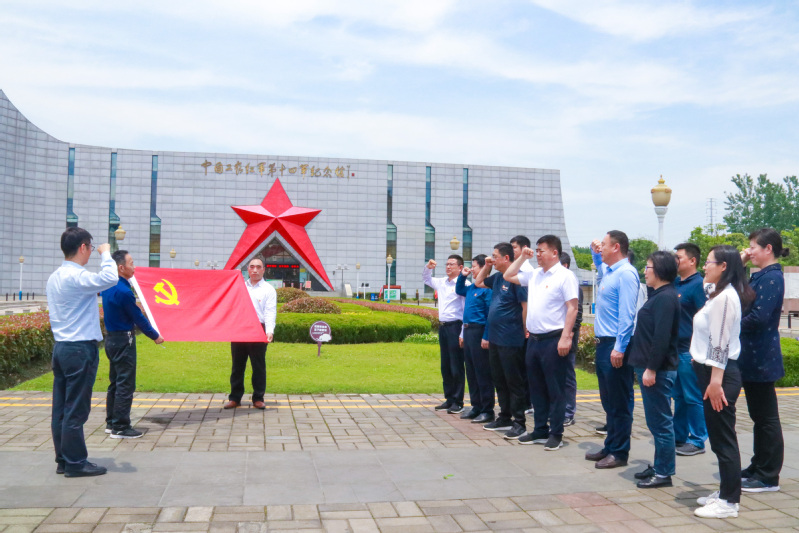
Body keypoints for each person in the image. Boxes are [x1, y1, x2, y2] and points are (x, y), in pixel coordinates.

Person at [46, 227, 118, 477]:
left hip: (62, 347)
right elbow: (110, 278)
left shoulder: (55, 276)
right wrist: (106, 253)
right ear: (83, 247)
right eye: (91, 247)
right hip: (79, 349)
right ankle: (76, 463)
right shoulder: (76, 276)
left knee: (61, 408)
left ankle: (64, 460)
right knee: (76, 408)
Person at [692, 245, 753, 519]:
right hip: (712, 374)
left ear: (723, 267)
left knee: (723, 439)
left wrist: (715, 382)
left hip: (719, 375)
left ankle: (729, 502)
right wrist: (739, 259)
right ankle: (726, 492)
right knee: (718, 438)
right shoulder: (718, 293)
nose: (704, 267)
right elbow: (708, 284)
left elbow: (720, 343)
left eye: (709, 262)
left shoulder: (725, 298)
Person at [505, 236, 578, 450]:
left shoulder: (565, 276)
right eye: (536, 250)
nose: (537, 254)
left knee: (555, 389)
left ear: (554, 253)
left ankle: (556, 433)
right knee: (536, 388)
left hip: (553, 339)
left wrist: (566, 336)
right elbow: (508, 275)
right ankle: (539, 429)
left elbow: (572, 308)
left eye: (541, 251)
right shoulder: (535, 274)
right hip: (534, 339)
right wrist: (521, 258)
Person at [739, 228, 788, 492]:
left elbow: (758, 317)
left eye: (753, 247)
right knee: (759, 417)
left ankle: (769, 476)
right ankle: (759, 465)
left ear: (768, 249)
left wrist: (730, 324)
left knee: (767, 418)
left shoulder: (772, 278)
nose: (749, 252)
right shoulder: (762, 276)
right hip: (753, 356)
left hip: (761, 357)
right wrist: (741, 265)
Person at [585, 230, 639, 469]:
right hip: (603, 344)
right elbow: (599, 266)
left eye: (605, 245)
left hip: (616, 345)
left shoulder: (626, 273)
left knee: (620, 402)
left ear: (616, 247)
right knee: (609, 401)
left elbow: (628, 315)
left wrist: (620, 347)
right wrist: (594, 253)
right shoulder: (609, 272)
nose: (601, 248)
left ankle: (619, 452)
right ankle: (610, 445)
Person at [628, 251, 681, 488]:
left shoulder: (666, 298)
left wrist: (651, 368)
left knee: (661, 423)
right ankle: (660, 465)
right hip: (651, 368)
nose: (645, 271)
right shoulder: (659, 295)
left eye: (648, 267)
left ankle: (664, 472)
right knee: (656, 422)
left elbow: (661, 338)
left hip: (658, 371)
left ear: (659, 270)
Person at [101, 250, 164, 439]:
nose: (134, 267)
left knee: (115, 382)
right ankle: (121, 427)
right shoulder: (124, 291)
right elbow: (137, 317)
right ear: (121, 267)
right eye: (131, 263)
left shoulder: (108, 286)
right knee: (125, 384)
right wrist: (155, 335)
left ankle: (112, 422)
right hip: (123, 341)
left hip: (111, 339)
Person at [474, 243, 528, 438]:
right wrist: (487, 266)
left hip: (511, 338)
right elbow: (479, 282)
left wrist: (525, 329)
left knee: (514, 381)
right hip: (496, 338)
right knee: (499, 379)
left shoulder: (516, 279)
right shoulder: (497, 278)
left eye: (495, 256)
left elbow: (525, 306)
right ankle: (504, 416)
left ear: (506, 258)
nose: (492, 259)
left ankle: (519, 422)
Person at [224, 257, 277, 409]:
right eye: (252, 267)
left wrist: (269, 331)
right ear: (248, 269)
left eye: (258, 267)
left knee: (258, 365)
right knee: (237, 365)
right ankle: (235, 398)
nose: (255, 270)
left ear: (263, 270)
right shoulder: (239, 286)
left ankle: (258, 398)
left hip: (258, 329)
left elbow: (270, 311)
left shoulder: (268, 289)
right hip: (240, 328)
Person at [672, 243, 708, 456]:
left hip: (689, 350)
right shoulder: (676, 283)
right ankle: (679, 436)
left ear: (692, 261)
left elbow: (705, 320)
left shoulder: (698, 285)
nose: (675, 261)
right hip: (674, 350)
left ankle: (697, 440)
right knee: (678, 396)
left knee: (693, 396)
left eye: (679, 257)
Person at [423, 255, 467, 413]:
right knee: (446, 365)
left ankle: (458, 401)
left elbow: (466, 311)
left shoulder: (464, 285)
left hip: (456, 326)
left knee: (456, 365)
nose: (448, 267)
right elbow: (426, 279)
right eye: (447, 264)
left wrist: (462, 333)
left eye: (452, 264)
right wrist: (428, 267)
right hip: (443, 327)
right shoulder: (442, 282)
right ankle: (449, 398)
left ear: (460, 267)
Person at [455, 254, 494, 423]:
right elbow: (459, 289)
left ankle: (487, 409)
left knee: (482, 372)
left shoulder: (487, 289)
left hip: (480, 331)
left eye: (474, 266)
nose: (472, 269)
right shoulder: (471, 288)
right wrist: (462, 276)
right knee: (471, 371)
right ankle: (476, 406)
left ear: (484, 268)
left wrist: (486, 336)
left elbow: (490, 314)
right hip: (468, 331)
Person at [559, 252, 582, 426]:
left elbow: (577, 311)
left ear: (565, 265)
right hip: (554, 336)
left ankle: (568, 412)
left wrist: (570, 333)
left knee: (567, 375)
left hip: (567, 338)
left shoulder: (572, 283)